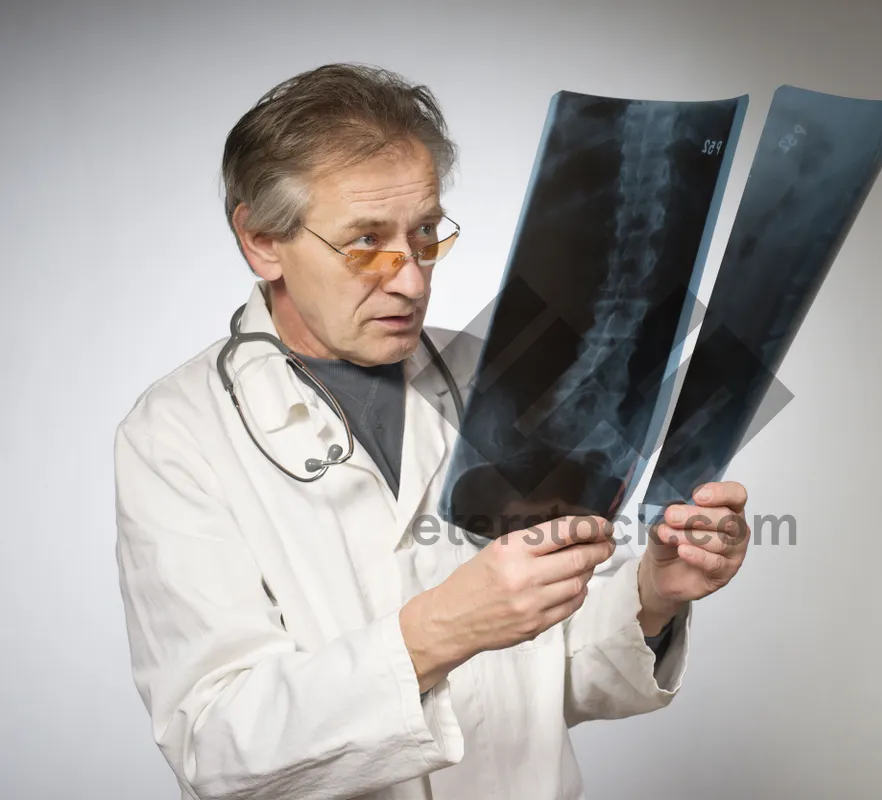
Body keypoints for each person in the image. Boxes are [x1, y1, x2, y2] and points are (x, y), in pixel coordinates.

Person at [114, 63, 751, 800]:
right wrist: (437, 633)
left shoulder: (498, 372)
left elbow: (555, 678)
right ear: (261, 240)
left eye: (424, 235)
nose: (411, 279)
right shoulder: (176, 435)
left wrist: (653, 595)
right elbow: (216, 743)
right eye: (364, 242)